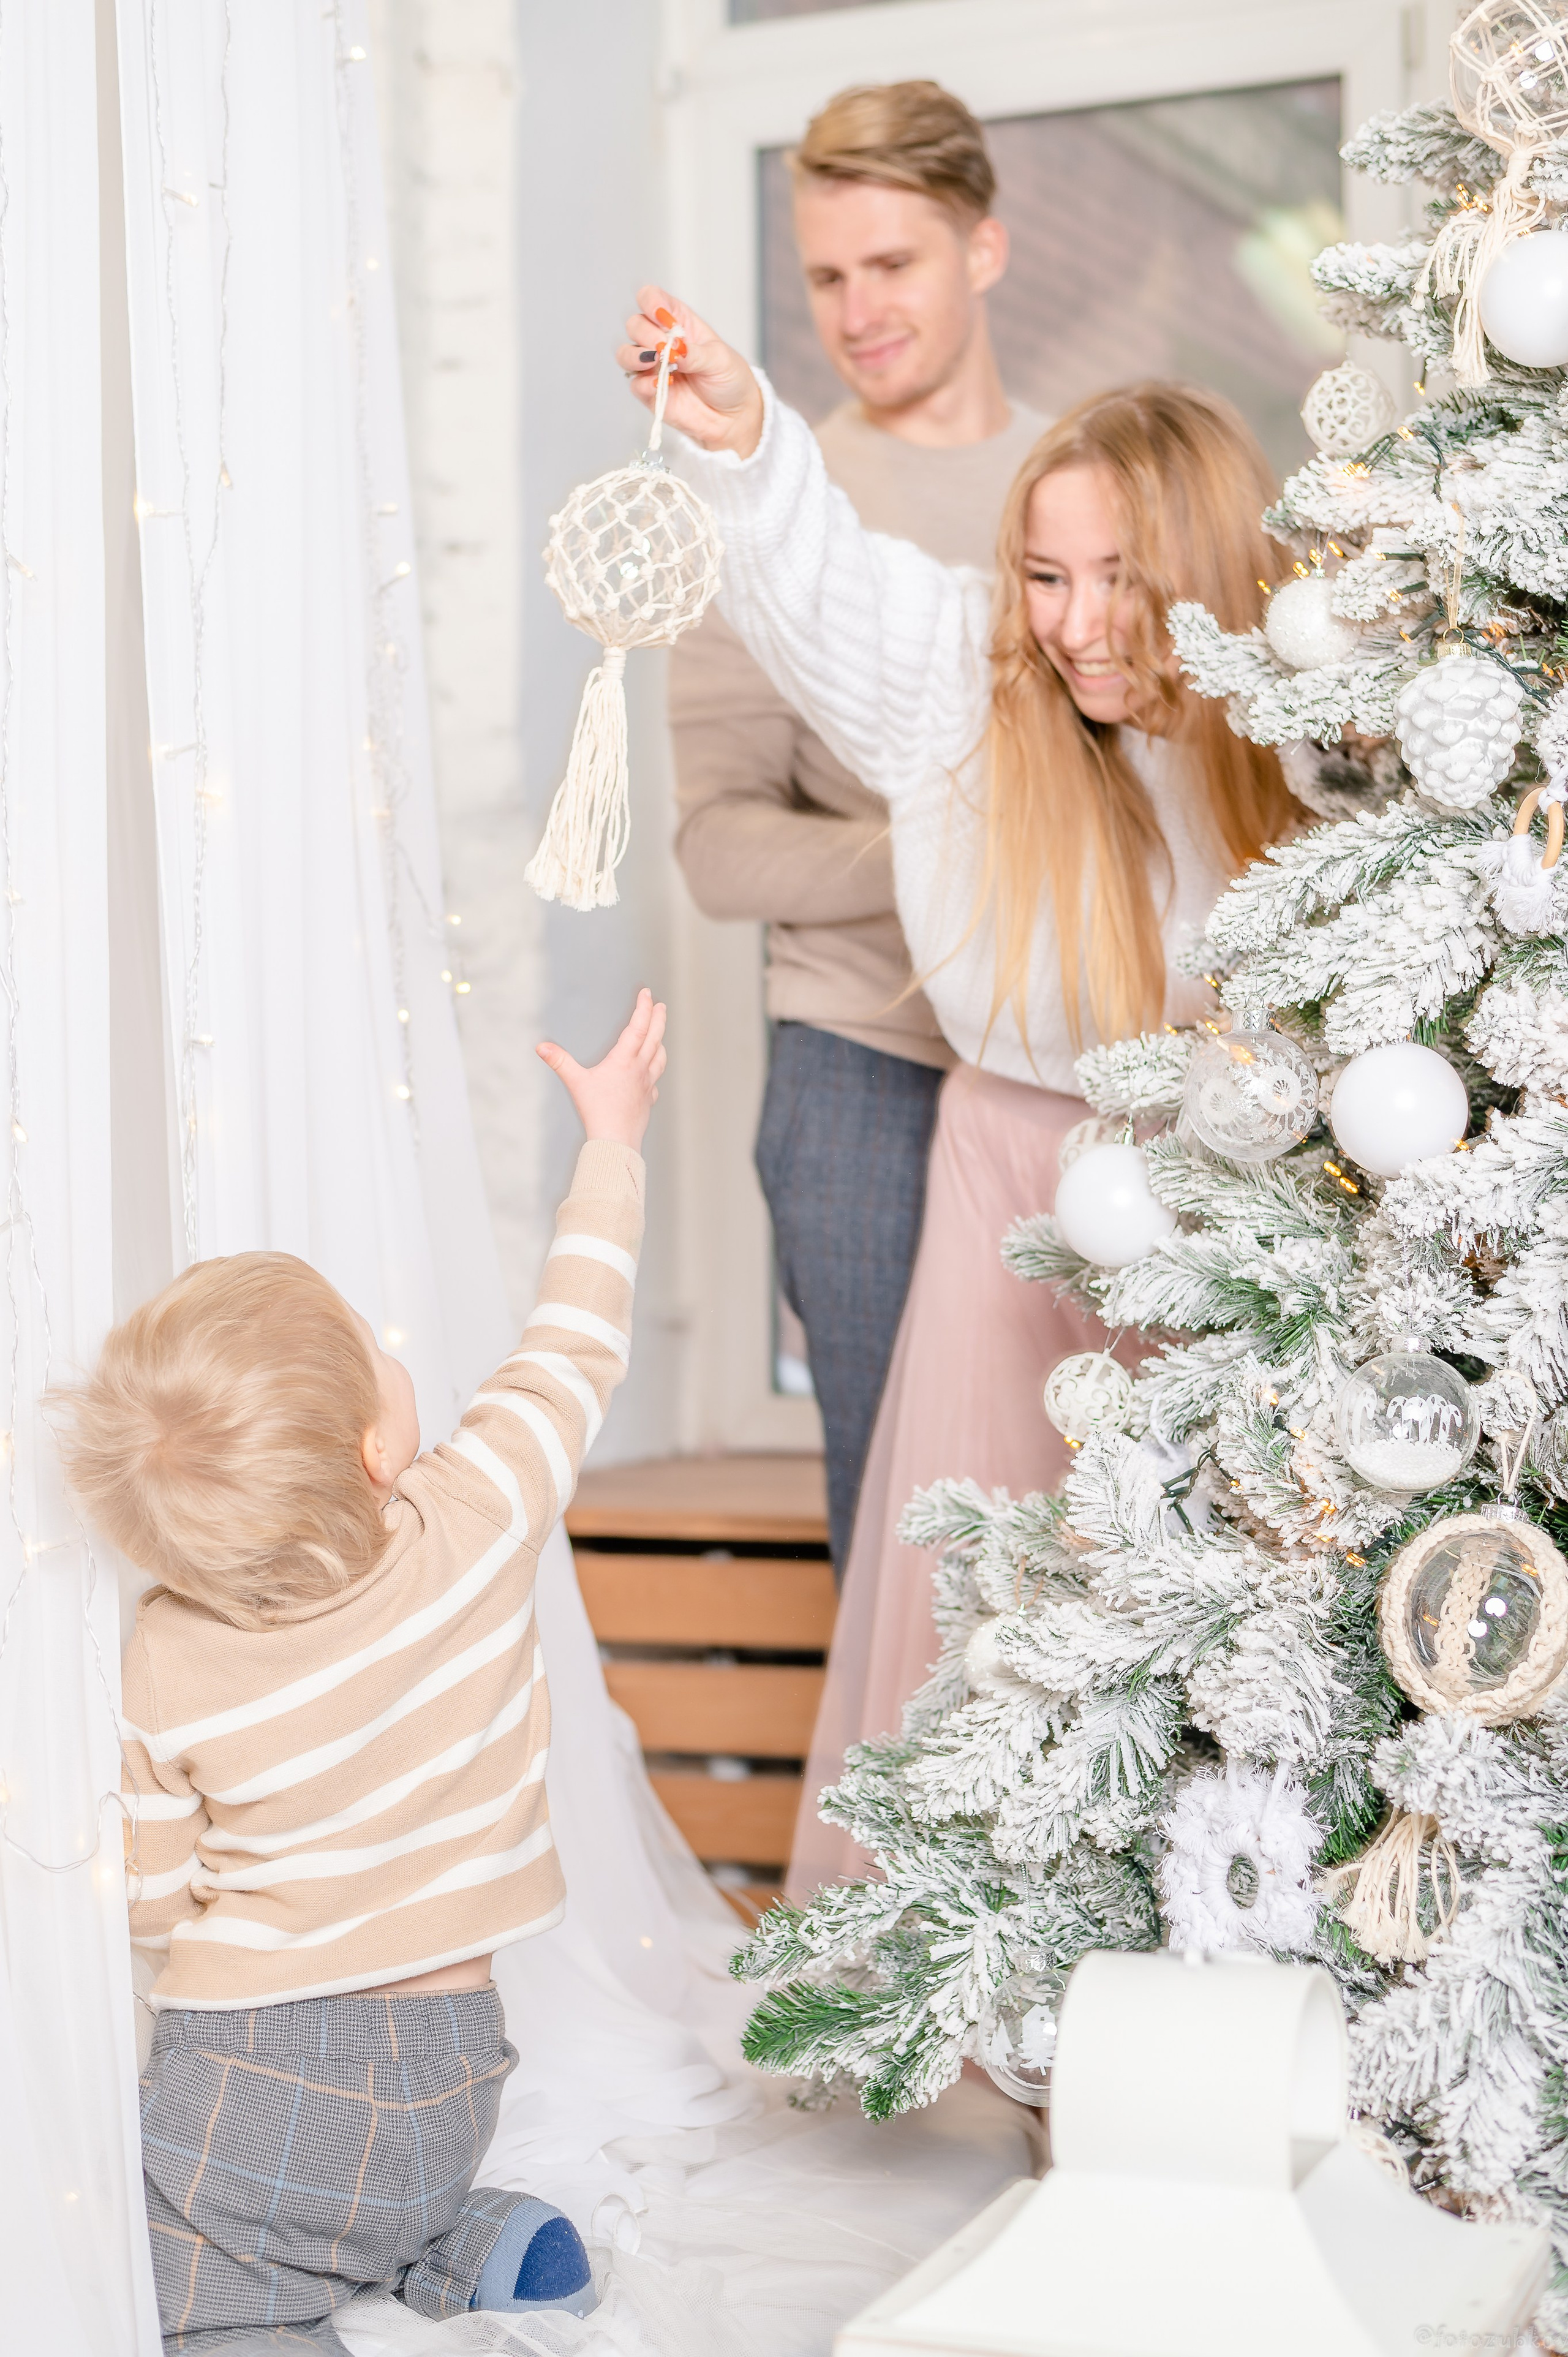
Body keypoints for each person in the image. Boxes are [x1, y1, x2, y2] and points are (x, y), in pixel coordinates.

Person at [619, 295, 1298, 1897]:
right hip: (1006, 1181)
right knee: (977, 1589)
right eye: (1045, 576)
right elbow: (824, 586)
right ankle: (968, 1983)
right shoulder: (965, 691)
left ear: (1202, 573)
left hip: (1223, 1203)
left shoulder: (1292, 725)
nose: (1072, 623)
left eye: (1117, 578)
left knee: (1209, 1586)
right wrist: (747, 436)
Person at [56, 994, 666, 2354]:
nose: (398, 1355)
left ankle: (265, 2315)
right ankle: (456, 2234)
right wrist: (610, 1142)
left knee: (169, 2254)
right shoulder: (478, 1510)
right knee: (373, 2195)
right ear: (377, 1451)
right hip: (458, 2065)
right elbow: (576, 1337)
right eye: (372, 1351)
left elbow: (153, 1898)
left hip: (252, 2086)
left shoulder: (165, 1652)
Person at [669, 81, 1046, 1577]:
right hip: (858, 1072)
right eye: (825, 277)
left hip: (1067, 1057)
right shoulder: (760, 511)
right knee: (893, 1513)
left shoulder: (1076, 487)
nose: (855, 310)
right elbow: (715, 846)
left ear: (986, 251)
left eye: (891, 265)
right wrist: (954, 851)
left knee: (1091, 1494)